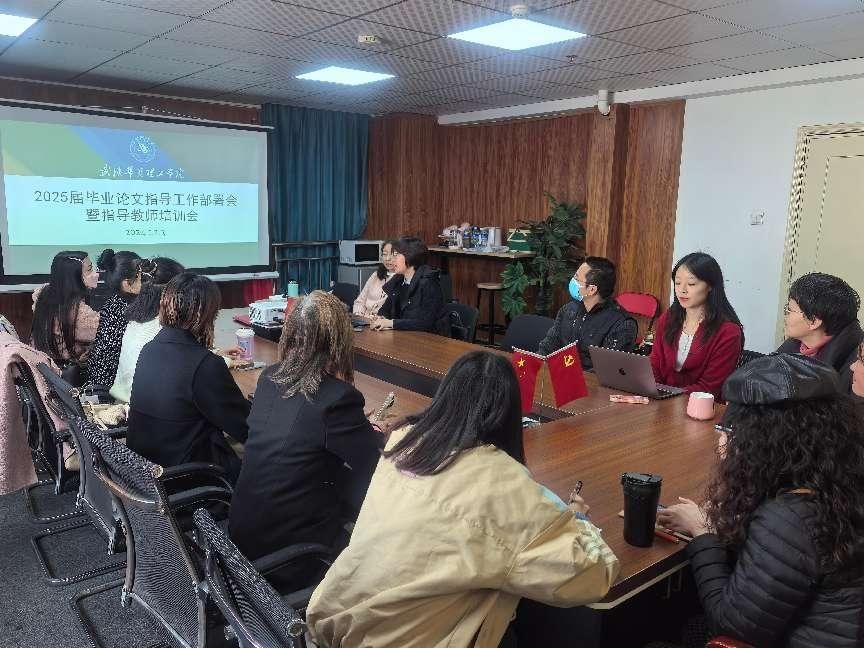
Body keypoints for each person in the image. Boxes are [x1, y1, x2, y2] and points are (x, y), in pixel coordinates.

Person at [307, 351, 620, 648]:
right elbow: (594, 576)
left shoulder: (405, 442)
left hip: (341, 624)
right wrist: (580, 520)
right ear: (510, 415)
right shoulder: (502, 484)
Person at [658, 353, 864, 646]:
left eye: (733, 430)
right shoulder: (841, 480)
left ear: (761, 440)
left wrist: (703, 533)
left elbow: (730, 626)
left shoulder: (789, 518)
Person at [230, 291, 382, 561]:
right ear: (338, 340)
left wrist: (355, 427)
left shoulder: (269, 376)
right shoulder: (338, 398)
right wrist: (378, 433)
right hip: (290, 554)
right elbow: (374, 462)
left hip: (241, 538)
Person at [126, 272, 249, 482]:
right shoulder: (205, 365)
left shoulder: (149, 349)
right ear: (204, 315)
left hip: (146, 474)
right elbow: (245, 427)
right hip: (189, 477)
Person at [650, 252, 743, 399]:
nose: (682, 290)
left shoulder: (728, 332)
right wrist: (650, 390)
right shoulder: (668, 319)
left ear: (710, 286)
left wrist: (667, 395)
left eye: (691, 284)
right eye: (677, 283)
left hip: (698, 406)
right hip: (662, 400)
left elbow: (710, 387)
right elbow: (654, 365)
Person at [109, 257, 185, 404]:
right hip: (145, 409)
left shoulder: (135, 321)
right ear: (173, 294)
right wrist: (223, 360)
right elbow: (191, 367)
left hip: (124, 403)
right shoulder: (164, 328)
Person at [538, 256, 637, 368]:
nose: (572, 281)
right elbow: (548, 346)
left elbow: (607, 370)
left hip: (588, 378)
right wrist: (535, 364)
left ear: (591, 289)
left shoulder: (622, 325)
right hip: (561, 373)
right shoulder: (568, 310)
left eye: (576, 278)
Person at [777, 272, 862, 393]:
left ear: (814, 321)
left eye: (789, 310)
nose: (785, 314)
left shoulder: (856, 369)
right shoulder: (796, 343)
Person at [30, 251, 100, 364]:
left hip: (43, 364)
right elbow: (105, 331)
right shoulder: (80, 314)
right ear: (73, 277)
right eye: (89, 270)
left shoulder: (43, 295)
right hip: (67, 369)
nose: (95, 274)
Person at [87, 249, 142, 388]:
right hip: (112, 389)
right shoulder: (132, 312)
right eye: (142, 276)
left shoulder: (113, 303)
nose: (149, 279)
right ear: (127, 284)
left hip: (100, 381)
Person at [371, 237, 443, 332]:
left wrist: (391, 323)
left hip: (428, 338)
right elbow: (385, 310)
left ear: (410, 257)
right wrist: (380, 318)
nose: (392, 260)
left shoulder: (429, 282)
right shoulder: (398, 280)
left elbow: (425, 323)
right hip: (403, 335)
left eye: (396, 255)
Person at [353, 240, 396, 318]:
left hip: (381, 322)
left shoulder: (401, 280)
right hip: (363, 318)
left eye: (392, 255)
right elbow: (359, 301)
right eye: (384, 254)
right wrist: (358, 315)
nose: (387, 258)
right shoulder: (375, 275)